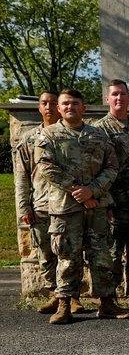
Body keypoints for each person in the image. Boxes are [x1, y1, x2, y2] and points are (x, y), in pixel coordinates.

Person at [34, 88, 129, 324]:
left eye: (75, 103)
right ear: (59, 108)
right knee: (67, 256)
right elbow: (46, 166)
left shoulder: (98, 135)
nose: (70, 107)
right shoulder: (48, 136)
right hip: (65, 207)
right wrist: (78, 191)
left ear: (83, 108)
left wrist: (93, 191)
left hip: (96, 206)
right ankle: (65, 304)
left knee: (102, 255)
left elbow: (112, 167)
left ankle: (107, 303)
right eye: (65, 104)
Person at [94, 79, 129, 311]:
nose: (119, 98)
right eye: (114, 94)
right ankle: (108, 299)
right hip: (113, 202)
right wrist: (102, 200)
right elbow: (95, 167)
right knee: (112, 253)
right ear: (107, 99)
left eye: (123, 94)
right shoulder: (98, 130)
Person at [13, 90, 64, 313]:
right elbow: (21, 177)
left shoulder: (70, 135)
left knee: (69, 252)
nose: (49, 107)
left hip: (66, 204)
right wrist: (24, 207)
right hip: (42, 204)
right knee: (46, 253)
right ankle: (54, 293)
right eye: (45, 103)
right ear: (39, 108)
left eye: (54, 103)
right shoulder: (29, 139)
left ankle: (71, 296)